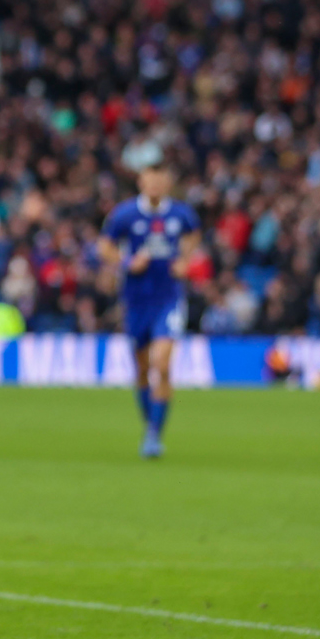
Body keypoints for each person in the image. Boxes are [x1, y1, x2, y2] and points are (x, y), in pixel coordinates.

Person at [99, 160, 201, 459]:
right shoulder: (126, 214)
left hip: (168, 298)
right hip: (136, 299)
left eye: (160, 179)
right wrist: (126, 262)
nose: (155, 185)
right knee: (142, 369)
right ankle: (151, 425)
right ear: (141, 183)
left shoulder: (181, 214)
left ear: (168, 183)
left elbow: (194, 238)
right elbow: (104, 246)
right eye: (150, 180)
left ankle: (154, 435)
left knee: (163, 364)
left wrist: (185, 261)